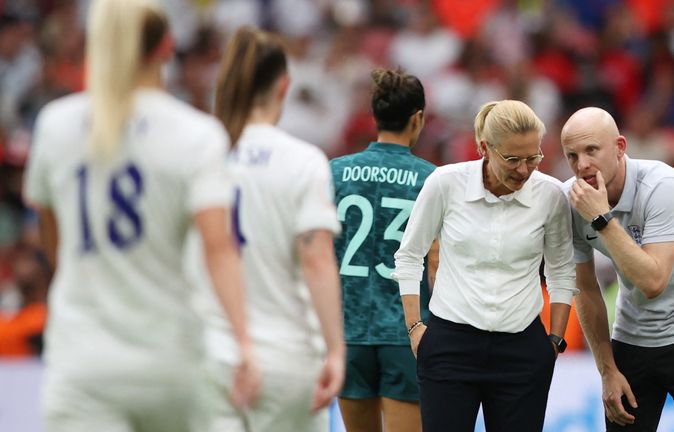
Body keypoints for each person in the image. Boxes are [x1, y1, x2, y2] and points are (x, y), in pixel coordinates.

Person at [22, 0, 259, 431]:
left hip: (82, 359)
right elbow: (219, 247)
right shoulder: (197, 134)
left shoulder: (56, 125)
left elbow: (52, 237)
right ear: (166, 47)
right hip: (170, 359)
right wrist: (244, 342)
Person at [393, 100, 577, 432]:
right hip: (450, 344)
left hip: (523, 348)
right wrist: (414, 328)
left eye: (533, 158)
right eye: (512, 159)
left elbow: (562, 270)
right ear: (484, 148)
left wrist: (554, 341)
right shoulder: (445, 183)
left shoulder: (550, 195)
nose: (524, 170)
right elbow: (409, 255)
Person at [201, 26, 345, 431]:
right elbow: (316, 260)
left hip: (210, 357)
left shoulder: (198, 155)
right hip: (286, 360)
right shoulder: (302, 160)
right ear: (284, 85)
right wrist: (335, 351)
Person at [560, 107, 674, 431]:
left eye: (591, 150)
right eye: (572, 155)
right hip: (632, 334)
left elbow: (653, 281)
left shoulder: (665, 186)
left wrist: (601, 219)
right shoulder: (571, 200)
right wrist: (607, 370)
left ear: (620, 147)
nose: (581, 165)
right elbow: (584, 287)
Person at [330, 68, 436, 432]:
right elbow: (435, 261)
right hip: (407, 331)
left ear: (374, 115)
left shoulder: (335, 173)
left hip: (348, 328)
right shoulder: (431, 179)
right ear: (417, 118)